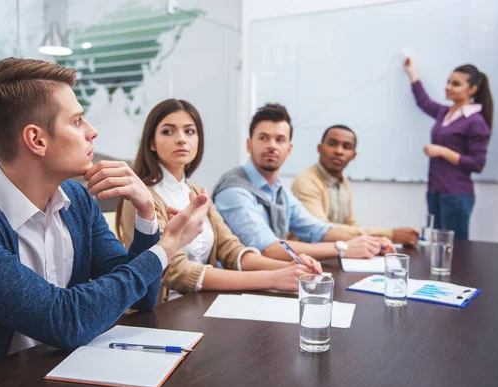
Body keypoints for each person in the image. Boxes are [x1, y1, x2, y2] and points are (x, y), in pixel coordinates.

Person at [0, 58, 209, 387]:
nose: (91, 131)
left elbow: (141, 296)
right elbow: (65, 320)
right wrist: (168, 245)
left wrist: (146, 212)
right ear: (37, 140)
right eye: (77, 120)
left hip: (55, 376)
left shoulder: (77, 199)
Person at [116, 99, 322, 303]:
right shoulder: (141, 198)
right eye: (168, 131)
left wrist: (290, 267)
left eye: (189, 131)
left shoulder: (197, 192)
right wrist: (272, 278)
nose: (181, 139)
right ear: (151, 143)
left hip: (200, 305)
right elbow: (176, 271)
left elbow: (231, 249)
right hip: (160, 314)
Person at [213, 103, 395, 262]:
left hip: (271, 279)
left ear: (289, 149)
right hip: (236, 291)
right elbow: (268, 248)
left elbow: (317, 229)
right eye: (263, 138)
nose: (272, 146)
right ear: (248, 145)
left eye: (280, 140)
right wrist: (343, 248)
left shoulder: (278, 190)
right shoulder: (234, 190)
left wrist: (370, 242)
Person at [403, 58, 493, 240]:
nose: (448, 87)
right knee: (436, 245)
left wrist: (442, 151)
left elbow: (477, 164)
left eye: (456, 84)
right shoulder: (445, 113)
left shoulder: (476, 122)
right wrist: (412, 73)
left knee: (456, 251)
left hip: (456, 195)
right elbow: (424, 102)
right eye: (448, 82)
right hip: (435, 191)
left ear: (472, 90)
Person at [291, 124, 419, 246]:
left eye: (346, 146)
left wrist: (374, 242)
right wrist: (388, 235)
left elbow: (350, 224)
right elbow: (321, 229)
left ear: (353, 155)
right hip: (306, 257)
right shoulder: (306, 181)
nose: (339, 151)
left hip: (335, 251)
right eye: (332, 144)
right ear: (320, 148)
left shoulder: (343, 181)